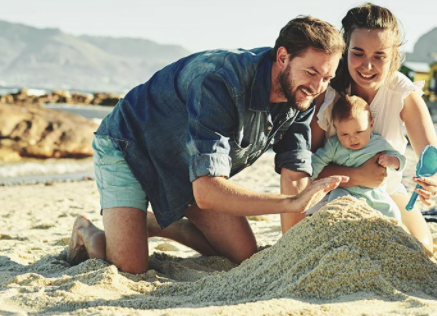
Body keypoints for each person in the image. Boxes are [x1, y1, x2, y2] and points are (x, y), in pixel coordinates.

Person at [67, 16, 348, 274]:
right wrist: (288, 203)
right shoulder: (220, 81)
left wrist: (292, 255)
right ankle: (88, 231)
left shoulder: (301, 96)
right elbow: (208, 192)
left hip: (189, 165)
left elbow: (295, 175)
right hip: (130, 146)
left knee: (244, 255)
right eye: (311, 72)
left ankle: (154, 222)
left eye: (327, 78)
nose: (318, 86)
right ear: (283, 57)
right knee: (130, 268)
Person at [282, 3, 437, 253]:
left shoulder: (402, 94)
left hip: (386, 191)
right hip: (333, 192)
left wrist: (433, 182)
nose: (367, 66)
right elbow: (306, 169)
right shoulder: (328, 93)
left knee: (421, 249)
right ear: (345, 49)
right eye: (358, 53)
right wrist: (359, 176)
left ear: (393, 55)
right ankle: (290, 248)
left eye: (379, 56)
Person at [310, 94, 406, 220]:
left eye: (359, 132)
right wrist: (307, 179)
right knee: (335, 207)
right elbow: (318, 160)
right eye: (344, 134)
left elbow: (401, 160)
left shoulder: (378, 143)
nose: (352, 138)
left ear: (371, 125)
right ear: (336, 129)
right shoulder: (334, 145)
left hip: (374, 193)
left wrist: (392, 160)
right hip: (345, 191)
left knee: (393, 213)